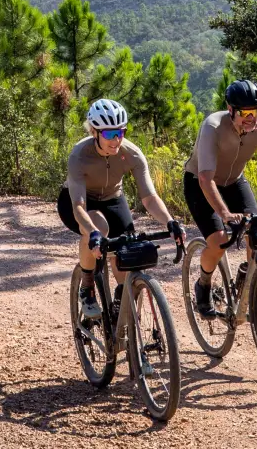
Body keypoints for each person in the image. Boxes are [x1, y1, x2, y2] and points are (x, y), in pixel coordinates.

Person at [59, 98, 184, 322]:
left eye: (120, 132)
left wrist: (170, 222)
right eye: (109, 134)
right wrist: (93, 233)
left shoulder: (132, 153)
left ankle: (122, 311)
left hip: (112, 198)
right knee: (98, 226)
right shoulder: (80, 155)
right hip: (78, 202)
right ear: (94, 132)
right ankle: (87, 286)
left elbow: (149, 198)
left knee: (126, 255)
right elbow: (78, 206)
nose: (116, 140)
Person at [184, 79, 257, 317]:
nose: (251, 118)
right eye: (244, 112)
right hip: (199, 182)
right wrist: (225, 214)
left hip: (234, 181)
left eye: (255, 111)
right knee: (219, 240)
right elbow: (205, 178)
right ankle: (203, 284)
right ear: (230, 109)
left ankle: (253, 284)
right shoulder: (213, 126)